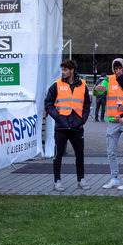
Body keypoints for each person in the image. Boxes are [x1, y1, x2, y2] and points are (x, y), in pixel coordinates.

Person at [44, 59, 91, 191]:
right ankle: (57, 181)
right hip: (62, 126)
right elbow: (48, 103)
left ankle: (81, 179)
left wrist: (83, 119)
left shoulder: (82, 84)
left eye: (65, 70)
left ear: (72, 70)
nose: (63, 72)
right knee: (58, 154)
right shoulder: (56, 85)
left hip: (77, 126)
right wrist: (58, 117)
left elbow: (87, 104)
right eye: (62, 70)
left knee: (79, 153)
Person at [96, 58, 123, 190]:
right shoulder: (109, 79)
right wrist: (97, 90)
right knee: (111, 151)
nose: (118, 71)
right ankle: (114, 178)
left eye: (120, 68)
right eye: (116, 68)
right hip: (113, 121)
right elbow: (98, 92)